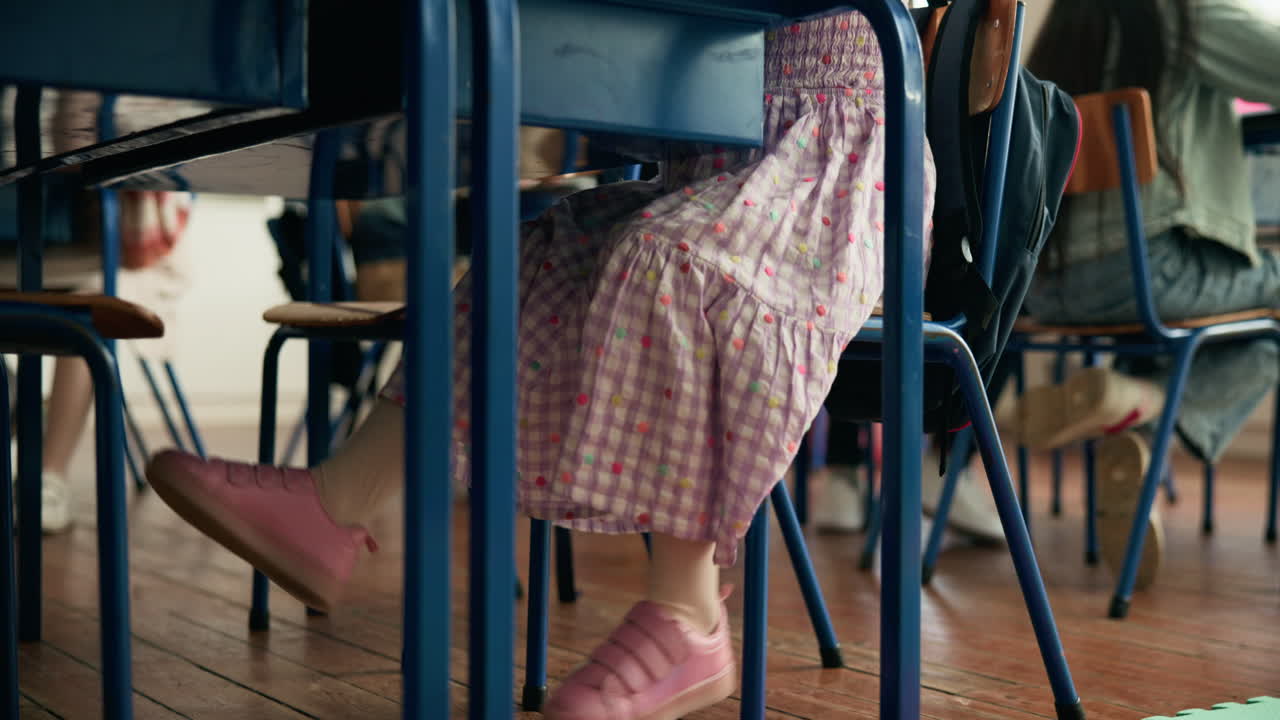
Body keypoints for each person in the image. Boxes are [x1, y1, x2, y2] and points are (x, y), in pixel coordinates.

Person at [145, 9, 936, 719]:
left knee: (671, 263)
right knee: (533, 254)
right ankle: (339, 501)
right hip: (718, 150)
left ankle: (689, 613)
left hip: (842, 166)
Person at [1020, 0, 1280, 588]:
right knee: (1264, 316)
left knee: (1248, 336)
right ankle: (1140, 404)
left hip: (1043, 287)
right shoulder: (1184, 15)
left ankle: (1133, 421)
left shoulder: (1062, 27)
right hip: (1147, 273)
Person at [2, 188, 192, 533]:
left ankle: (49, 477)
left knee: (85, 312)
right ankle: (21, 404)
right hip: (13, 242)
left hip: (102, 249)